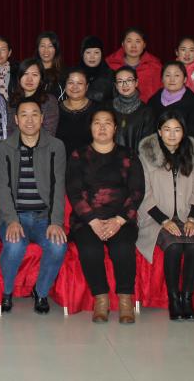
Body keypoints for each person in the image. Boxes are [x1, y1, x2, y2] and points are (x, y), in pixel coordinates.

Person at [66, 108, 144, 324]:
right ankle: (101, 300)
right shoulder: (78, 155)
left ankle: (125, 300)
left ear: (115, 128)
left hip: (121, 219)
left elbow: (137, 191)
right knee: (90, 248)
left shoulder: (128, 155)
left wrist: (119, 221)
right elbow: (74, 191)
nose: (102, 127)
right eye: (97, 123)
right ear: (90, 127)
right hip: (86, 220)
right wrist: (92, 221)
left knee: (123, 247)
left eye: (107, 123)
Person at [0, 98, 67, 315]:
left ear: (42, 118)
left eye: (35, 114)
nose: (29, 120)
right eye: (24, 115)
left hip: (44, 216)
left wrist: (56, 222)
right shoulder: (4, 148)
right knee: (15, 245)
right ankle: (7, 291)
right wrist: (12, 220)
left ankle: (41, 292)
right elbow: (2, 187)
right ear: (16, 120)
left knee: (58, 246)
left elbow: (58, 186)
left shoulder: (56, 146)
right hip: (15, 215)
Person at [137, 111, 194, 322]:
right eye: (167, 130)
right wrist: (164, 221)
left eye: (177, 130)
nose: (172, 134)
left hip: (187, 215)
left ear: (183, 132)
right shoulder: (147, 156)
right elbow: (144, 193)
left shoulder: (193, 154)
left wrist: (193, 219)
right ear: (159, 132)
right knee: (174, 246)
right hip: (156, 218)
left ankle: (187, 298)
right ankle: (174, 299)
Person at [147, 61, 194, 140]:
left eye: (177, 75)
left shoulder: (193, 102)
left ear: (185, 79)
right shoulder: (153, 101)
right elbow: (148, 130)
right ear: (162, 79)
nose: (172, 79)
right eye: (168, 75)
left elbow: (193, 133)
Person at [106, 27, 162, 102]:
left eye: (138, 41)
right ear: (123, 44)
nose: (133, 46)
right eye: (129, 41)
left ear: (144, 45)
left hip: (148, 107)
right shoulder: (110, 65)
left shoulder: (155, 66)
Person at [7, 58, 60, 136]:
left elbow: (49, 132)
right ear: (19, 77)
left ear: (41, 79)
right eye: (25, 74)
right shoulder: (12, 100)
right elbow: (9, 130)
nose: (29, 79)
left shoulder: (49, 100)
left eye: (34, 75)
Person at [56, 68, 101, 157]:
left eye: (79, 83)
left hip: (91, 161)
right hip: (61, 161)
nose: (75, 87)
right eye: (70, 83)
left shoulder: (98, 109)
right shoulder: (55, 109)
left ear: (87, 86)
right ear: (65, 85)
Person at [111, 67, 153, 152]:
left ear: (136, 82)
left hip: (135, 158)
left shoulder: (146, 111)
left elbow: (147, 145)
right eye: (120, 81)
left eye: (129, 80)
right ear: (116, 85)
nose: (125, 85)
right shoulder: (107, 108)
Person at [80, 35, 114, 102]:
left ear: (102, 54)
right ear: (82, 54)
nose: (92, 57)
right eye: (88, 52)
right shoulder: (74, 74)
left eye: (96, 52)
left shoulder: (111, 75)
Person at [35, 31, 65, 98]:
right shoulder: (30, 71)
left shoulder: (63, 73)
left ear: (56, 49)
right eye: (42, 46)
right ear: (37, 49)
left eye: (50, 46)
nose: (46, 50)